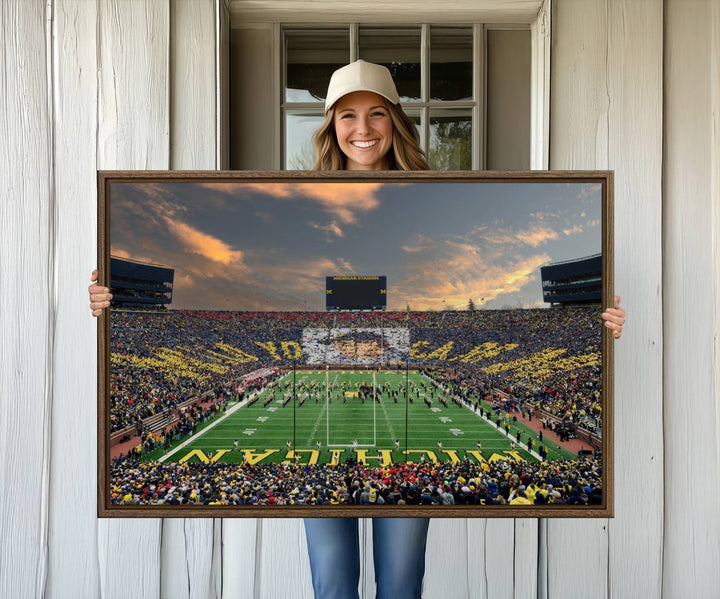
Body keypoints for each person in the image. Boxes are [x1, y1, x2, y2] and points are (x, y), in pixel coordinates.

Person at [88, 59, 627, 599]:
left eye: (375, 114)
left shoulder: (434, 199)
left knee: (400, 582)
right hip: (323, 338)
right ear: (330, 126)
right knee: (332, 583)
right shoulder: (301, 199)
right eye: (347, 115)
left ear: (395, 120)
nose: (362, 129)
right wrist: (112, 303)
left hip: (401, 350)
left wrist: (592, 327)